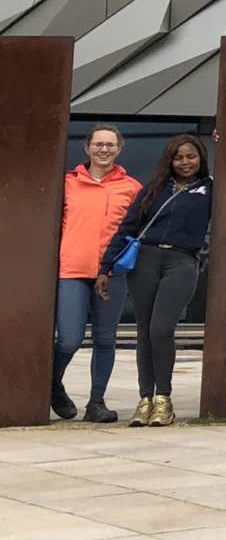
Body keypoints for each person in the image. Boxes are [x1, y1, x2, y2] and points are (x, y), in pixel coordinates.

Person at [98, 133, 212, 429]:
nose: (185, 162)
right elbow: (128, 227)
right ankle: (145, 399)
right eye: (178, 157)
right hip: (145, 261)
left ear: (201, 158)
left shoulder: (210, 189)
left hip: (181, 262)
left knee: (161, 329)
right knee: (144, 333)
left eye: (191, 156)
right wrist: (105, 268)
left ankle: (164, 398)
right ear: (169, 160)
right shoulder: (155, 189)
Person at [51, 125, 139, 423]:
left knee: (105, 339)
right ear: (87, 148)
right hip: (72, 269)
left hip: (112, 273)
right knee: (69, 339)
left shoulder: (131, 187)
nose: (104, 149)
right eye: (98, 144)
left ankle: (96, 402)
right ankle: (53, 383)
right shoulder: (66, 183)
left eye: (110, 145)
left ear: (119, 148)